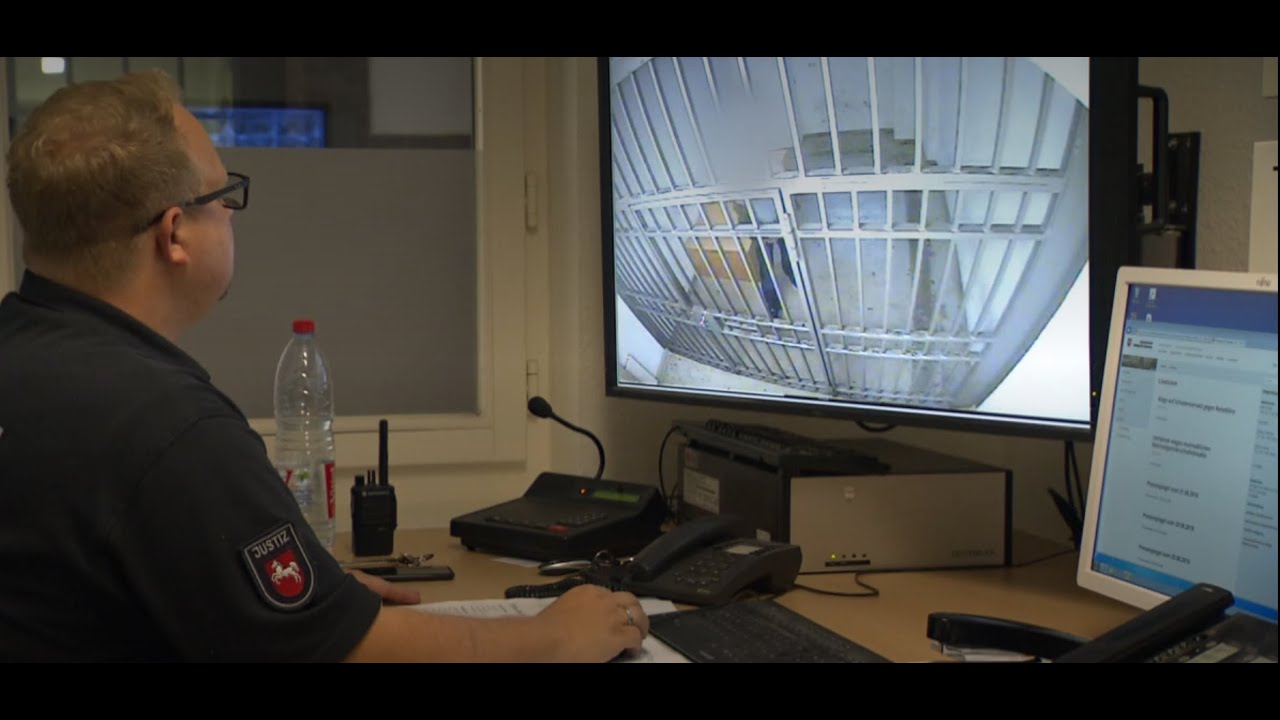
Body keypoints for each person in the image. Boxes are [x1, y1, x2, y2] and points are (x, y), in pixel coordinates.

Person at [0, 70, 648, 662]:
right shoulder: (166, 427)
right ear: (174, 235)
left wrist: (293, 600)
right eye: (225, 194)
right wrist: (556, 633)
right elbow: (351, 656)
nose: (230, 213)